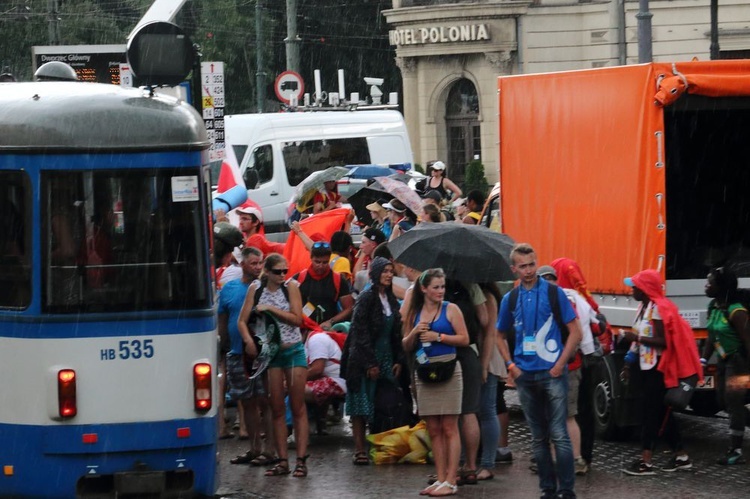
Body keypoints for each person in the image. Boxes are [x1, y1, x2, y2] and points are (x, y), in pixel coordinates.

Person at [496, 243, 581, 499]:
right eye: (523, 266)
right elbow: (499, 335)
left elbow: (576, 331)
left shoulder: (554, 293)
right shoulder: (510, 299)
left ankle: (566, 490)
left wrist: (560, 364)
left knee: (559, 434)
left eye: (532, 264)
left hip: (552, 372)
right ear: (514, 269)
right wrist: (510, 365)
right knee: (537, 437)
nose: (529, 270)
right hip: (525, 375)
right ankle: (547, 489)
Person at [619, 269, 702, 476]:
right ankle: (681, 457)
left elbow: (663, 341)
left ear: (645, 289)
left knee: (651, 415)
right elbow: (638, 336)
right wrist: (628, 363)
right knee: (663, 413)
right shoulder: (643, 307)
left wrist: (635, 339)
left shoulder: (658, 310)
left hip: (659, 370)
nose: (631, 290)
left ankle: (645, 462)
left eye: (635, 287)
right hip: (646, 369)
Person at [237, 253, 309, 477]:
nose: (282, 275)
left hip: (294, 349)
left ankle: (300, 460)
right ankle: (282, 460)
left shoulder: (292, 286)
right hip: (272, 354)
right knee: (276, 407)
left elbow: (298, 319)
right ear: (266, 271)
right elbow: (241, 320)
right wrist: (248, 341)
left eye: (285, 271)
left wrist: (271, 309)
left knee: (297, 406)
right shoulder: (256, 289)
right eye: (277, 271)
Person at [402, 268, 469, 497]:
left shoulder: (451, 309)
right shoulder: (415, 311)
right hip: (425, 370)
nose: (441, 291)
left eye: (443, 287)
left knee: (450, 426)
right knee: (433, 428)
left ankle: (451, 480)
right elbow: (405, 344)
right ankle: (440, 477)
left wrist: (438, 337)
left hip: (449, 368)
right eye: (436, 287)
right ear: (424, 289)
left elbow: (464, 338)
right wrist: (414, 333)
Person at [342, 257, 406, 466]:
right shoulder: (366, 297)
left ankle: (381, 444)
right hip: (363, 357)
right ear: (376, 273)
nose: (388, 275)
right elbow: (359, 331)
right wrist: (370, 363)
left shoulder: (390, 298)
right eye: (385, 271)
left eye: (390, 271)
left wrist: (398, 358)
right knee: (360, 402)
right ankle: (360, 449)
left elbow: (396, 331)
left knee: (384, 401)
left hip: (386, 354)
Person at [219, 247, 275, 464]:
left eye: (260, 263)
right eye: (253, 263)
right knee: (247, 402)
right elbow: (223, 320)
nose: (258, 267)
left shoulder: (266, 288)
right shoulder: (229, 289)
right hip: (236, 353)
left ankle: (269, 450)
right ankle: (254, 448)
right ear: (242, 264)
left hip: (262, 354)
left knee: (265, 401)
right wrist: (222, 347)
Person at [537, 265, 592, 476]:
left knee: (562, 416)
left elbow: (575, 334)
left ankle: (566, 460)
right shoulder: (567, 300)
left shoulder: (554, 302)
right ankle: (571, 459)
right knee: (565, 416)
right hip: (567, 365)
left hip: (562, 367)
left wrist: (559, 362)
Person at [550, 258, 603, 471]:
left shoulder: (561, 300)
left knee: (563, 414)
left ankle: (565, 458)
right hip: (586, 361)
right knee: (583, 411)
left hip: (569, 363)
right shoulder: (582, 299)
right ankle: (583, 457)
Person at [702, 267, 750, 465]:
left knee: (734, 402)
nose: (706, 286)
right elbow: (712, 336)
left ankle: (735, 450)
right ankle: (739, 423)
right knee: (722, 402)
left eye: (709, 283)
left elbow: (748, 341)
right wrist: (703, 360)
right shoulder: (714, 306)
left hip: (739, 362)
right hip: (723, 361)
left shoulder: (736, 311)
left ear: (721, 287)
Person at [293, 241, 354, 330]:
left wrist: (331, 321)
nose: (321, 266)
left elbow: (348, 308)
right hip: (304, 329)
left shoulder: (338, 279)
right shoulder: (298, 278)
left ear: (329, 259)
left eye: (325, 262)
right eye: (317, 262)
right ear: (311, 258)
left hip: (328, 330)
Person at [305, 326, 347, 435]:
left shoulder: (316, 339)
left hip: (338, 381)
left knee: (294, 388)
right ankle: (317, 423)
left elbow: (317, 370)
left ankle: (298, 430)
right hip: (333, 378)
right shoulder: (312, 338)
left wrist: (291, 380)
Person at [237, 204, 312, 256]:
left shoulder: (254, 239)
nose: (241, 222)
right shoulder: (251, 240)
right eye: (240, 219)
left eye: (245, 219)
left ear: (256, 222)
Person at [352, 227, 386, 293]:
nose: (360, 246)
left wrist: (363, 253)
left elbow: (357, 275)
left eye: (363, 242)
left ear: (373, 245)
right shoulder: (368, 258)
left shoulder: (381, 262)